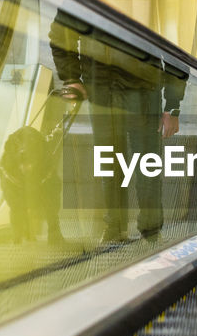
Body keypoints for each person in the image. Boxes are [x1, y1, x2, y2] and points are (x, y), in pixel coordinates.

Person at [50, 17, 183, 244]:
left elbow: (176, 44)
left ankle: (149, 231)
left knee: (146, 164)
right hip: (102, 88)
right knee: (110, 163)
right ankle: (115, 228)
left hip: (142, 88)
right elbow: (62, 32)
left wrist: (173, 104)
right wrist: (71, 77)